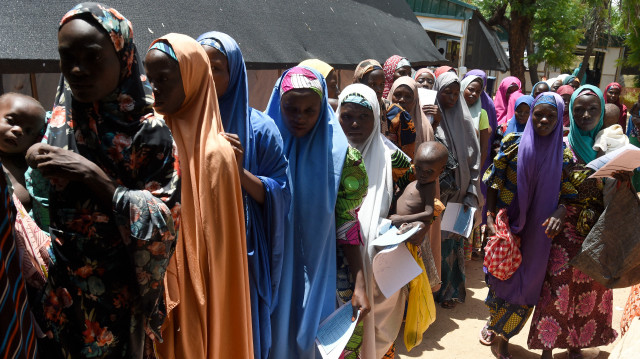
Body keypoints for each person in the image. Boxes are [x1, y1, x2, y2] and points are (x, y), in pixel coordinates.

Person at [26, 4, 181, 357]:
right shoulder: (63, 118)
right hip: (62, 295)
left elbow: (164, 225)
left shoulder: (149, 134)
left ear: (123, 59)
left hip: (116, 301)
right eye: (68, 58)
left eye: (93, 58)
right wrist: (34, 150)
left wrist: (92, 175)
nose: (78, 70)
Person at [144, 34, 251, 358]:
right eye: (151, 80)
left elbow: (219, 257)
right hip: (155, 279)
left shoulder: (216, 155)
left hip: (197, 288)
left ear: (192, 80)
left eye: (164, 79)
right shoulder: (147, 136)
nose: (155, 89)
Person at [196, 31, 290, 359]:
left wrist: (239, 173)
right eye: (200, 65)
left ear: (234, 72)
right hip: (195, 250)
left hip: (241, 252)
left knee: (239, 333)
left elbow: (280, 192)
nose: (207, 75)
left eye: (217, 68)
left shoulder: (260, 129)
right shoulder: (179, 125)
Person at [266, 66, 370, 358]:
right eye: (291, 108)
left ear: (323, 107)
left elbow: (348, 225)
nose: (299, 117)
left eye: (309, 110)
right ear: (278, 104)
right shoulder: (263, 146)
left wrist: (360, 282)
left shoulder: (343, 159)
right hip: (270, 271)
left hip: (323, 273)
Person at [528, 85, 626, 359]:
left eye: (592, 109)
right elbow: (546, 187)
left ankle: (575, 345)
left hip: (597, 228)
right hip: (563, 228)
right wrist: (560, 208)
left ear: (602, 112)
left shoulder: (610, 147)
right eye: (579, 109)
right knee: (556, 287)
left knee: (589, 290)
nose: (585, 115)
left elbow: (618, 192)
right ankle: (547, 347)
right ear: (571, 111)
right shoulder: (560, 145)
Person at [336, 83, 426, 358]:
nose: (355, 124)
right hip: (333, 257)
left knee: (375, 329)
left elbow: (416, 190)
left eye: (365, 116)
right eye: (347, 116)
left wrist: (400, 221)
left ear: (377, 117)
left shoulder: (392, 157)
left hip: (377, 258)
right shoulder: (328, 153)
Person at [480, 92, 567, 359]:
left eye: (551, 116)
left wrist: (560, 211)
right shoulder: (512, 143)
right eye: (538, 113)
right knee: (502, 278)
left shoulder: (564, 153)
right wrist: (490, 217)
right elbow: (493, 180)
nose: (543, 120)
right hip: (508, 224)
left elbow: (570, 192)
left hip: (540, 232)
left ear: (560, 119)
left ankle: (506, 336)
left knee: (529, 283)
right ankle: (497, 330)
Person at [432, 72, 481, 309]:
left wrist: (470, 191)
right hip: (435, 194)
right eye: (446, 92)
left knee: (451, 243)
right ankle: (430, 290)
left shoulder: (464, 121)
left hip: (458, 193)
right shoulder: (429, 116)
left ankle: (449, 291)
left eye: (455, 93)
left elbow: (474, 159)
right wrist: (435, 122)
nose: (451, 98)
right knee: (433, 243)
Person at [0, 117, 40, 359]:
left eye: (28, 131)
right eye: (11, 120)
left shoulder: (31, 169)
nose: (18, 132)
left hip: (18, 268)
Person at [386, 77, 436, 158]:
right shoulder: (382, 122)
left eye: (408, 96)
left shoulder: (424, 127)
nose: (402, 100)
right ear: (391, 95)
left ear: (415, 100)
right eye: (397, 95)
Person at [461, 75, 492, 167]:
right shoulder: (451, 111)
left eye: (478, 92)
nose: (474, 94)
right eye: (471, 89)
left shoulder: (482, 114)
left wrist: (477, 171)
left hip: (470, 165)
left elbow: (484, 148)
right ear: (462, 88)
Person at [353, 59, 387, 131]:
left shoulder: (389, 110)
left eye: (382, 84)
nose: (379, 89)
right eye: (373, 84)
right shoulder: (349, 108)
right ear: (359, 83)